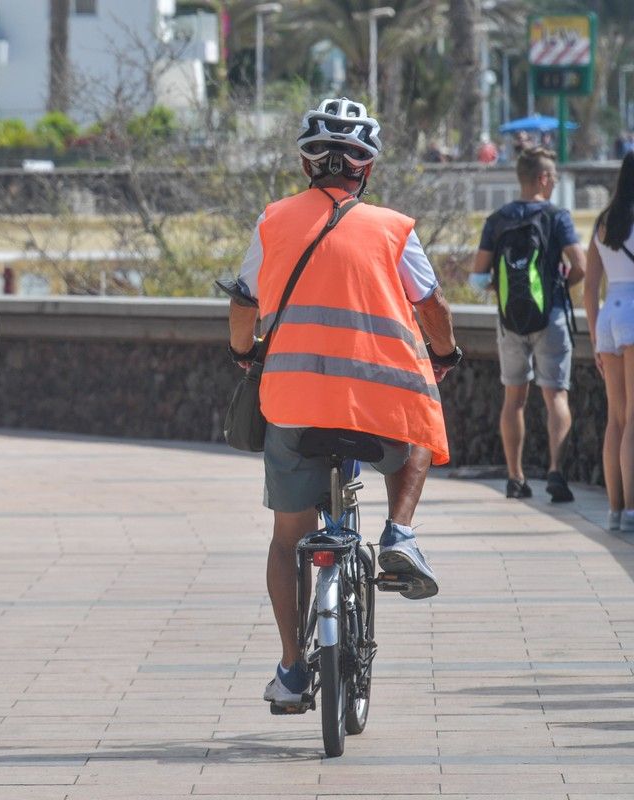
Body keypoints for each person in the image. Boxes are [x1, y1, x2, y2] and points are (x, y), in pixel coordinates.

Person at [224, 97, 460, 707]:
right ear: (368, 170)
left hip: (294, 401)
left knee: (286, 541)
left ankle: (292, 669)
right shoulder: (393, 228)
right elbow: (431, 306)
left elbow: (244, 303)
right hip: (379, 403)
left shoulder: (273, 221)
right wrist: (448, 353)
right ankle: (400, 534)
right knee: (416, 442)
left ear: (308, 166)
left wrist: (244, 353)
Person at [470, 147, 586, 502]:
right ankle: (555, 472)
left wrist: (502, 286)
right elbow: (580, 266)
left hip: (510, 320)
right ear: (543, 178)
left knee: (514, 399)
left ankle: (515, 477)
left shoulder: (498, 219)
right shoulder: (557, 217)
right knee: (556, 396)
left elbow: (476, 278)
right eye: (552, 177)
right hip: (549, 317)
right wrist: (555, 288)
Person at [585, 152, 634, 531]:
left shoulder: (603, 222)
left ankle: (616, 510)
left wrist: (594, 332)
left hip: (608, 316)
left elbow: (589, 287)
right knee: (632, 418)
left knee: (615, 419)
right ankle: (632, 509)